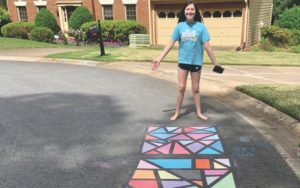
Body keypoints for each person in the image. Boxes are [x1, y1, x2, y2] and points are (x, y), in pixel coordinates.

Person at [152, 0, 223, 121]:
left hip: (196, 62)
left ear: (195, 12)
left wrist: (215, 62)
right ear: (184, 11)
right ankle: (177, 113)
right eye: (188, 9)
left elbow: (207, 46)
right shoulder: (180, 26)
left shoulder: (201, 27)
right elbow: (170, 44)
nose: (190, 11)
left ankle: (199, 113)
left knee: (196, 89)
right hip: (183, 62)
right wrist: (159, 58)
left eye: (192, 9)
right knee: (181, 87)